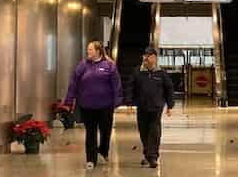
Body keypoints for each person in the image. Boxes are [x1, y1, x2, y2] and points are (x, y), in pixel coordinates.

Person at [65, 40, 123, 168]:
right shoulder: (83, 65)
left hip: (105, 106)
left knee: (105, 131)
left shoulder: (109, 66)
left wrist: (117, 101)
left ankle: (103, 150)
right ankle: (91, 159)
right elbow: (73, 83)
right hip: (88, 106)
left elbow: (116, 85)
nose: (88, 52)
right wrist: (69, 101)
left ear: (98, 51)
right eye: (88, 49)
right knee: (90, 133)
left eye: (90, 49)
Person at [129, 46, 175, 168]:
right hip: (142, 107)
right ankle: (148, 154)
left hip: (156, 107)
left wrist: (170, 105)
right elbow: (131, 87)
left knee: (154, 131)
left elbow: (169, 89)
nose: (150, 59)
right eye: (148, 56)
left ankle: (153, 157)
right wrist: (129, 103)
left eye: (153, 57)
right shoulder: (137, 72)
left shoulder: (161, 73)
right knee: (144, 131)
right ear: (144, 58)